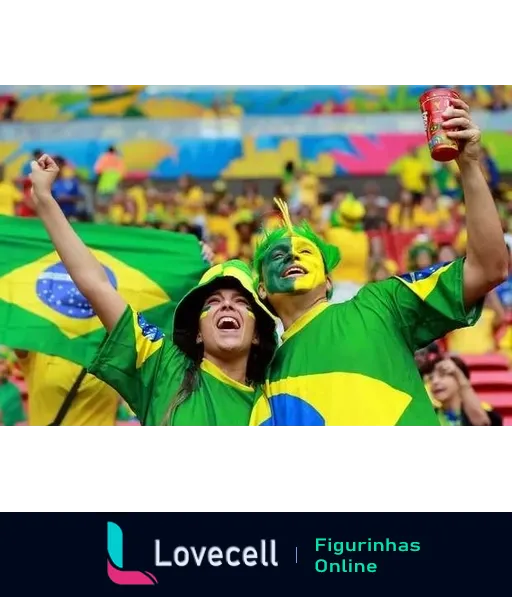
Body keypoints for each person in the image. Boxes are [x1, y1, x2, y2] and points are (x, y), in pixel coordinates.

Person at [249, 98, 509, 426]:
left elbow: (488, 269)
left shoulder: (379, 304)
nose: (291, 256)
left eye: (305, 251)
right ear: (260, 287)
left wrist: (469, 165)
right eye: (278, 254)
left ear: (328, 282)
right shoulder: (257, 370)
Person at [30, 154, 277, 426]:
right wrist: (44, 199)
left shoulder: (278, 401)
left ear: (257, 335)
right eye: (213, 301)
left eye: (242, 301)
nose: (226, 306)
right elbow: (97, 283)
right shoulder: (163, 369)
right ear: (196, 332)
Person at [423, 356, 503, 430]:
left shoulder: (487, 413)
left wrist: (458, 373)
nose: (435, 382)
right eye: (431, 378)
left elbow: (482, 424)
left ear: (461, 378)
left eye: (442, 375)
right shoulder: (427, 417)